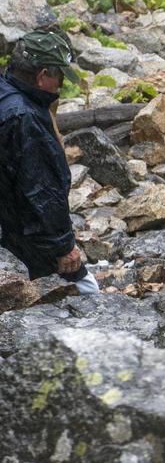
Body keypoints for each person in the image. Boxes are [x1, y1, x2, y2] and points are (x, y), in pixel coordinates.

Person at [0, 29, 98, 294]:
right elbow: (41, 191)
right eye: (60, 78)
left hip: (8, 228)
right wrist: (63, 247)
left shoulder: (6, 93)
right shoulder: (25, 119)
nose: (61, 86)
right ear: (42, 76)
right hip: (21, 235)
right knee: (88, 293)